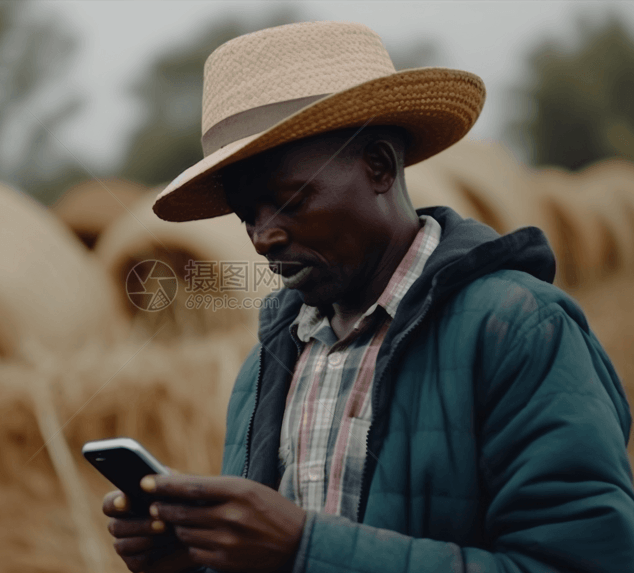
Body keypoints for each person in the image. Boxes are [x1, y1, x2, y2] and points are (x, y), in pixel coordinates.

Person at [101, 21, 634, 573]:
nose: (263, 237)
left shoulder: (518, 331)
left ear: (379, 165)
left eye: (290, 202)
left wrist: (305, 549)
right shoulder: (267, 365)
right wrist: (189, 562)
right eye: (248, 216)